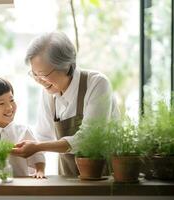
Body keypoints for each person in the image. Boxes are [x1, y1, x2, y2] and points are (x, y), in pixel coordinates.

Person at [11, 31, 120, 176]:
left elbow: (87, 138)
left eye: (42, 75)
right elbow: (43, 136)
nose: (38, 80)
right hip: (67, 177)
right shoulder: (49, 92)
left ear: (66, 66)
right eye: (34, 74)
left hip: (103, 177)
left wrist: (37, 146)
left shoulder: (97, 84)